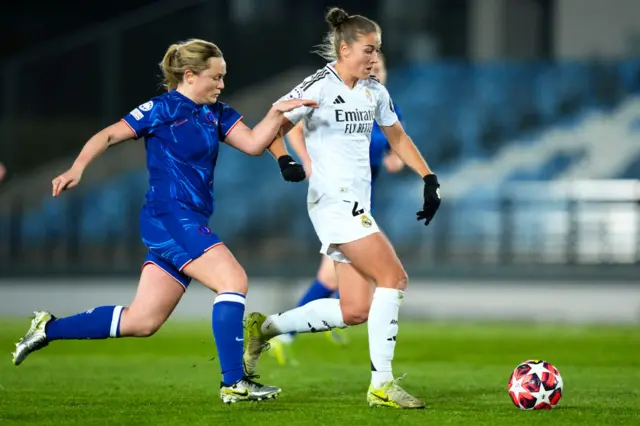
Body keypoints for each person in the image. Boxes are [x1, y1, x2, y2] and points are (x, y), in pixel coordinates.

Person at [11, 38, 313, 405]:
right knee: (233, 280)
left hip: (186, 219)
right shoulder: (163, 108)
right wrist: (77, 168)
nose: (221, 85)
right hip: (170, 216)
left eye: (223, 78)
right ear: (189, 75)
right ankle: (234, 383)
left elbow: (253, 143)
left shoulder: (216, 112)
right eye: (215, 78)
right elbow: (108, 134)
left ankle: (48, 328)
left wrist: (278, 112)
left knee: (142, 321)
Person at [242, 8, 441, 409]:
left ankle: (268, 327)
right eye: (368, 50)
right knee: (394, 277)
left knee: (354, 310)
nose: (374, 59)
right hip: (333, 201)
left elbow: (398, 137)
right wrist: (284, 160)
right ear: (345, 48)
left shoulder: (374, 92)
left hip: (354, 202)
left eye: (379, 51)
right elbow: (274, 125)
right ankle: (381, 385)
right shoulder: (317, 86)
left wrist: (429, 178)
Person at [269, 53, 404, 365]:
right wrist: (306, 159)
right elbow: (292, 125)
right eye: (373, 65)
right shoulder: (332, 94)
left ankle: (276, 328)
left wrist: (393, 159)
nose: (376, 71)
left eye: (381, 67)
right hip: (338, 200)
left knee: (343, 291)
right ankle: (283, 331)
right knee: (385, 277)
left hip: (362, 201)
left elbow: (393, 155)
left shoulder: (381, 107)